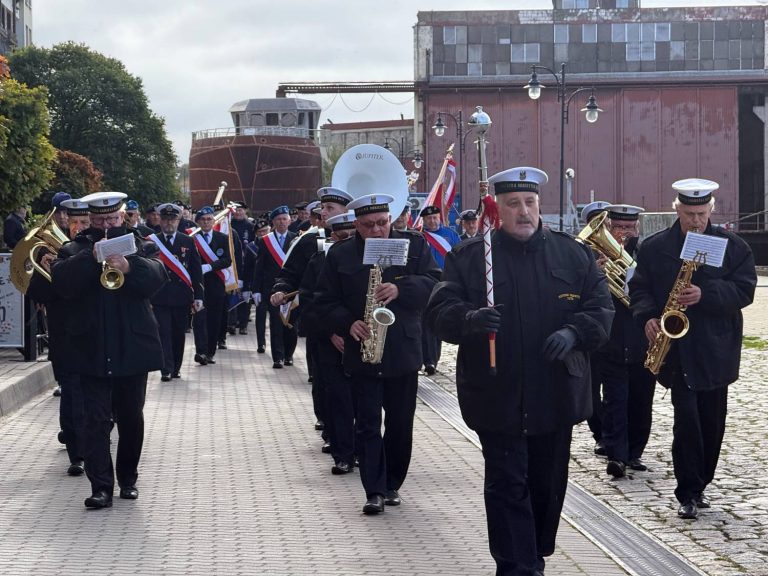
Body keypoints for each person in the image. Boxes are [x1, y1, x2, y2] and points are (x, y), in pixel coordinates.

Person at [426, 167, 613, 575]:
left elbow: (601, 309)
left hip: (555, 394)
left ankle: (534, 553)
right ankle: (517, 565)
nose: (523, 211)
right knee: (508, 484)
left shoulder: (572, 254)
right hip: (497, 394)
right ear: (498, 208)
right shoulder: (471, 257)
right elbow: (438, 312)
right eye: (513, 204)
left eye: (529, 203)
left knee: (547, 485)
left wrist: (574, 331)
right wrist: (470, 318)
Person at [629, 178, 756, 520]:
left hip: (715, 349)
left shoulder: (733, 246)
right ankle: (688, 490)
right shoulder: (655, 247)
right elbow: (639, 289)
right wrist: (648, 317)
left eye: (701, 214)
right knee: (686, 422)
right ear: (678, 210)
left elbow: (745, 291)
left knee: (711, 423)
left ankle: (701, 483)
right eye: (689, 214)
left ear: (711, 210)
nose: (695, 221)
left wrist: (706, 294)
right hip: (677, 352)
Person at [314, 194, 441, 515]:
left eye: (382, 223)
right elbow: (323, 299)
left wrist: (401, 289)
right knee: (368, 424)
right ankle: (373, 490)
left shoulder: (414, 246)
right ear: (356, 224)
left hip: (402, 348)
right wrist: (347, 323)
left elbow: (434, 283)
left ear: (391, 219)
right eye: (368, 225)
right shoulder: (341, 255)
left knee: (400, 423)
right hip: (363, 349)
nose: (377, 230)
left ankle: (392, 483)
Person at [50, 191, 167, 509]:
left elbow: (159, 277)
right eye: (99, 221)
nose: (105, 226)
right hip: (90, 346)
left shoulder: (142, 243)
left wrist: (130, 267)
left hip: (133, 345)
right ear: (90, 220)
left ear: (122, 218)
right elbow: (60, 282)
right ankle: (101, 486)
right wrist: (91, 259)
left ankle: (127, 478)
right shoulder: (74, 248)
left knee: (131, 417)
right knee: (95, 420)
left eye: (112, 220)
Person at [271, 187, 353, 432]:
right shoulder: (309, 240)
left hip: (352, 325)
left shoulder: (362, 241)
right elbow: (289, 275)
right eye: (322, 209)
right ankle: (329, 428)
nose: (323, 213)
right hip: (319, 323)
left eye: (330, 209)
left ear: (346, 212)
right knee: (323, 380)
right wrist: (280, 290)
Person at [593, 204, 656, 479]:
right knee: (615, 399)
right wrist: (595, 274)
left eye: (629, 228)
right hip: (613, 339)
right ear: (609, 229)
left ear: (637, 229)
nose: (624, 234)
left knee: (642, 399)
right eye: (618, 228)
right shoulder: (594, 256)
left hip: (643, 338)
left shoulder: (648, 255)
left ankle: (635, 452)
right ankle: (616, 455)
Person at [27, 198, 89, 476]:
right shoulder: (52, 252)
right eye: (74, 221)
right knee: (73, 394)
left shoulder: (99, 251)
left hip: (96, 335)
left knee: (98, 397)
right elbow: (37, 294)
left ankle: (94, 440)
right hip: (65, 336)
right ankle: (77, 452)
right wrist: (45, 271)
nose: (78, 227)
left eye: (84, 222)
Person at [299, 210, 358, 475]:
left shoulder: (368, 258)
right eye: (341, 236)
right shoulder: (318, 261)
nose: (346, 241)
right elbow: (311, 303)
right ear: (332, 235)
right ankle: (342, 454)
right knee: (338, 400)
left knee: (363, 402)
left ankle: (362, 450)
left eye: (351, 236)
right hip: (331, 341)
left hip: (364, 338)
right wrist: (331, 333)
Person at [149, 203, 204, 381]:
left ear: (178, 220)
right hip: (159, 296)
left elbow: (196, 271)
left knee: (178, 333)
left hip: (181, 297)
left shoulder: (187, 241)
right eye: (165, 220)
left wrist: (199, 296)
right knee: (163, 333)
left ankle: (176, 367)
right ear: (160, 220)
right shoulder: (151, 241)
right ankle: (166, 369)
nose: (169, 223)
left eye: (172, 220)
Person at [580, 199, 612, 458]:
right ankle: (600, 434)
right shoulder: (580, 252)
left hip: (618, 334)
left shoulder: (626, 248)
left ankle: (616, 436)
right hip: (593, 334)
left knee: (617, 391)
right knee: (592, 390)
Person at [253, 205, 297, 368]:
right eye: (278, 219)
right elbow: (260, 266)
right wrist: (256, 290)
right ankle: (277, 357)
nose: (282, 222)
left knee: (291, 323)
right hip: (271, 289)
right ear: (273, 222)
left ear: (290, 220)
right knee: (276, 323)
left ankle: (289, 355)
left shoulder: (297, 238)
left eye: (284, 219)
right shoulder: (265, 241)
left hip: (292, 288)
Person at [419, 204, 460, 375]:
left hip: (445, 283)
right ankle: (428, 360)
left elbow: (459, 258)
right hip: (427, 282)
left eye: (435, 217)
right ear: (424, 220)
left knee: (438, 320)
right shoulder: (420, 237)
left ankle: (433, 358)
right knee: (425, 321)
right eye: (429, 218)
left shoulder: (451, 235)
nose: (432, 220)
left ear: (440, 218)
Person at [190, 205, 232, 365]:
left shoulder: (221, 238)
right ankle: (200, 351)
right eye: (203, 220)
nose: (206, 222)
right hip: (198, 285)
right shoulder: (192, 238)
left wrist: (211, 266)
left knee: (214, 320)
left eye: (209, 219)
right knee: (199, 318)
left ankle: (210, 352)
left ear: (214, 221)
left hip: (216, 284)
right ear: (198, 221)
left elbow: (227, 259)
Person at [243, 219, 271, 353]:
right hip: (259, 287)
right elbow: (247, 269)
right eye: (260, 232)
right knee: (260, 317)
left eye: (265, 231)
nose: (263, 234)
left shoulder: (275, 244)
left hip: (276, 285)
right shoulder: (252, 247)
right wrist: (247, 288)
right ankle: (261, 343)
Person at [230, 202, 255, 335]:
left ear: (245, 211)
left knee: (245, 294)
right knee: (232, 292)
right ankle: (232, 323)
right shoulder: (229, 225)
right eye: (236, 210)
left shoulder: (250, 227)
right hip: (232, 264)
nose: (238, 213)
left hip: (247, 265)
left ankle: (243, 324)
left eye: (241, 210)